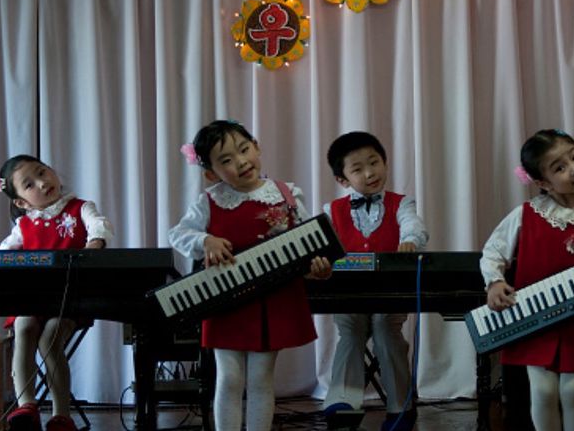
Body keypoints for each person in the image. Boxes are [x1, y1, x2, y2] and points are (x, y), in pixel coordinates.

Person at [167, 120, 332, 431]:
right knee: (229, 377)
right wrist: (205, 240)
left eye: (244, 150)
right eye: (226, 160)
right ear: (211, 173)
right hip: (225, 299)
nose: (241, 162)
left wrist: (317, 268)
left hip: (274, 298)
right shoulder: (209, 201)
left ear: (256, 146)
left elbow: (309, 244)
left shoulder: (287, 194)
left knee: (260, 378)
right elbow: (177, 234)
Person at [480, 129, 574, 431]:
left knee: (573, 391)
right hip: (535, 319)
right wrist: (494, 282)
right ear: (543, 183)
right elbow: (493, 251)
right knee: (543, 391)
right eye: (560, 167)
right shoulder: (524, 215)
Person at [0, 155, 113, 431]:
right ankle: (26, 406)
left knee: (50, 338)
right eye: (30, 184)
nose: (42, 182)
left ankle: (61, 415)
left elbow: (99, 226)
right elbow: (2, 254)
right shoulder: (23, 225)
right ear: (21, 203)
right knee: (23, 326)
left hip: (71, 298)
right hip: (34, 297)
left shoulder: (80, 207)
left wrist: (94, 243)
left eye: (42, 172)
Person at [322, 131, 428, 431]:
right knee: (350, 327)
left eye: (374, 162)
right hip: (348, 293)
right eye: (358, 169)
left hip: (391, 291)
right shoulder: (332, 210)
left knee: (385, 327)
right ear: (343, 180)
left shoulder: (401, 203)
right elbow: (322, 246)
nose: (370, 173)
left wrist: (410, 240)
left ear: (385, 162)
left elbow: (413, 225)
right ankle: (343, 402)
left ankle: (400, 406)